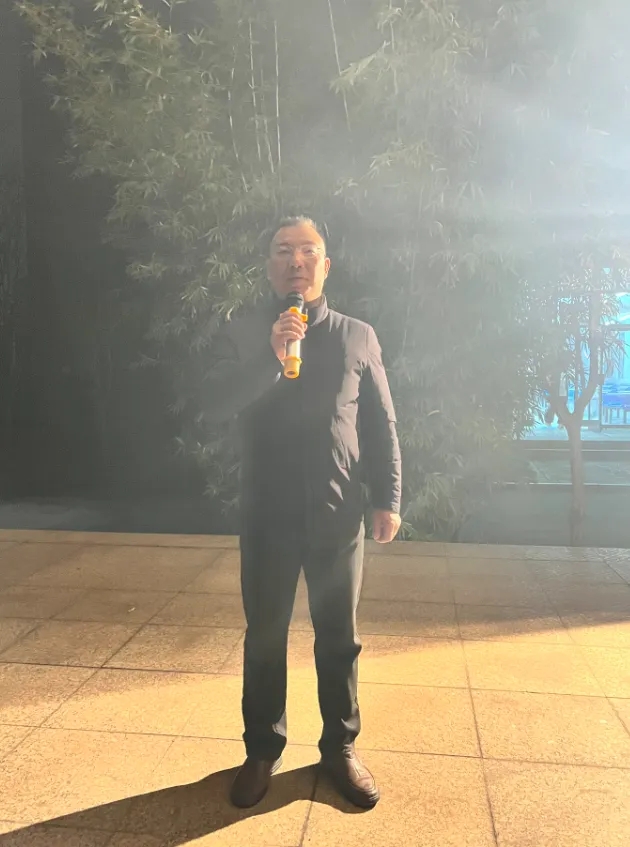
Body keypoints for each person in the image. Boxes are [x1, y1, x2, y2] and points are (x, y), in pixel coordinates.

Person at [202, 216, 402, 810]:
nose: (296, 260)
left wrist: (388, 497)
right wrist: (270, 354)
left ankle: (340, 747)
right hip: (267, 515)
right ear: (269, 267)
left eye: (308, 250)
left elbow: (380, 423)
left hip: (337, 516)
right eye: (283, 251)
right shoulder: (242, 332)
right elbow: (215, 406)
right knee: (265, 636)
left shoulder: (357, 335)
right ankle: (262, 749)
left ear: (325, 265)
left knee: (339, 638)